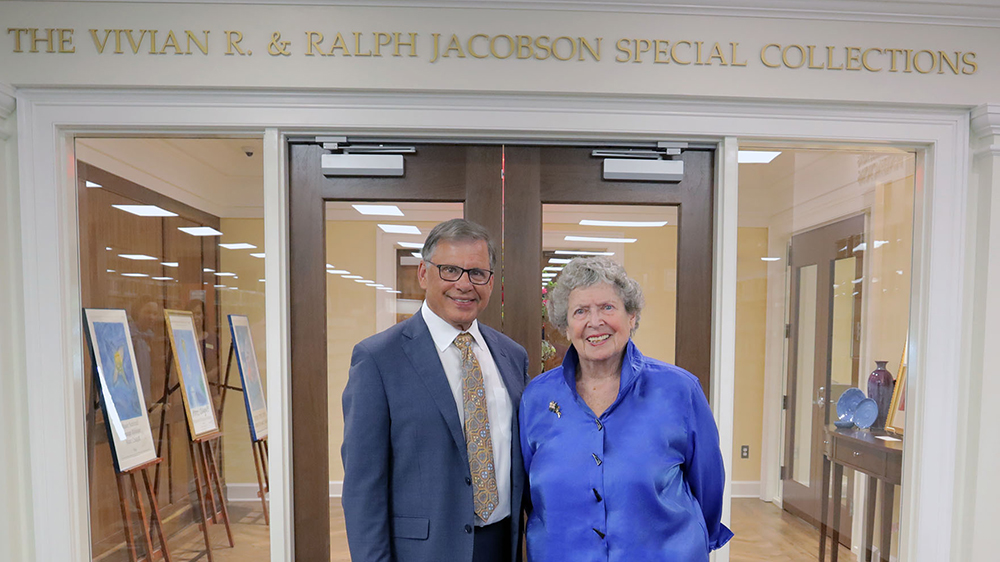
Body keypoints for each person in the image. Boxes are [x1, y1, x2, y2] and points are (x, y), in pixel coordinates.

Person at [520, 256, 733, 561]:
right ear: (565, 327)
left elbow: (708, 486)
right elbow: (531, 495)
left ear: (631, 317)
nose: (595, 322)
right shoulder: (537, 398)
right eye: (580, 311)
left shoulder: (680, 390)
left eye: (608, 307)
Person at [342, 218, 530, 562]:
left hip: (502, 545)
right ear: (423, 273)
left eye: (477, 273)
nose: (464, 284)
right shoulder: (378, 359)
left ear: (491, 281)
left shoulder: (512, 356)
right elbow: (362, 489)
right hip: (423, 552)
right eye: (449, 270)